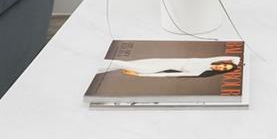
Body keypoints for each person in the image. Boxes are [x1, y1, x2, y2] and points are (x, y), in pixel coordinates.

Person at [99, 55, 240, 79]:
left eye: (223, 69)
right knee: (118, 63)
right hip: (158, 60)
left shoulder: (201, 72)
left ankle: (99, 65)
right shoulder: (209, 60)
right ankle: (100, 66)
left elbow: (170, 74)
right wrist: (235, 65)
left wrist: (139, 75)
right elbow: (236, 59)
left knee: (122, 64)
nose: (220, 68)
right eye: (223, 66)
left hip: (156, 69)